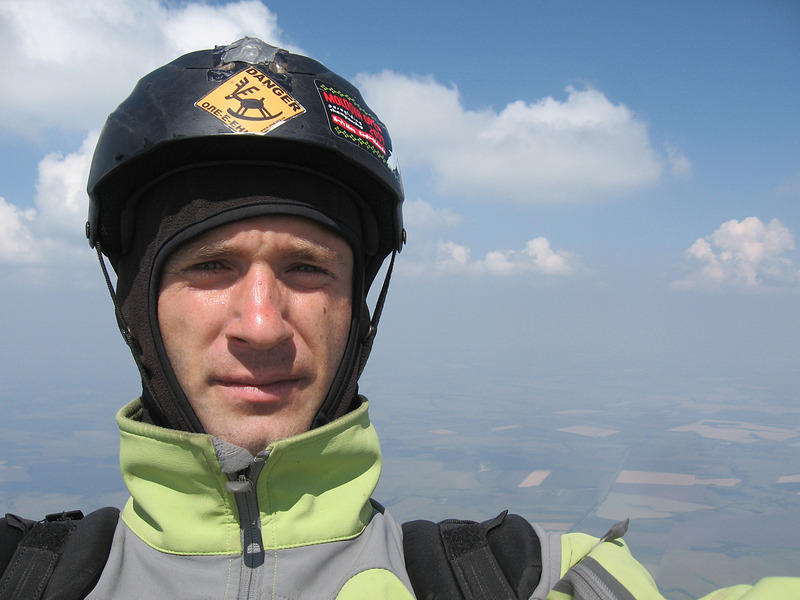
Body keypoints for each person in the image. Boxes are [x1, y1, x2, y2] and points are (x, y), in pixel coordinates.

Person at [1, 37, 798, 600]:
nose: (262, 324)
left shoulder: (529, 580)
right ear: (137, 311)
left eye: (308, 269)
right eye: (210, 266)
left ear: (359, 312)